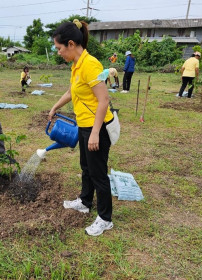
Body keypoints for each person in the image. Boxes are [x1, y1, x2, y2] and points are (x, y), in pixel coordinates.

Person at [49, 19, 114, 236]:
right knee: (86, 168)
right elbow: (71, 92)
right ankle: (85, 202)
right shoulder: (76, 66)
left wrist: (95, 132)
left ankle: (105, 219)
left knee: (98, 174)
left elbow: (103, 101)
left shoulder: (90, 65)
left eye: (59, 49)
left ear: (70, 44)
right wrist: (55, 106)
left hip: (98, 127)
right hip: (84, 125)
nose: (58, 53)